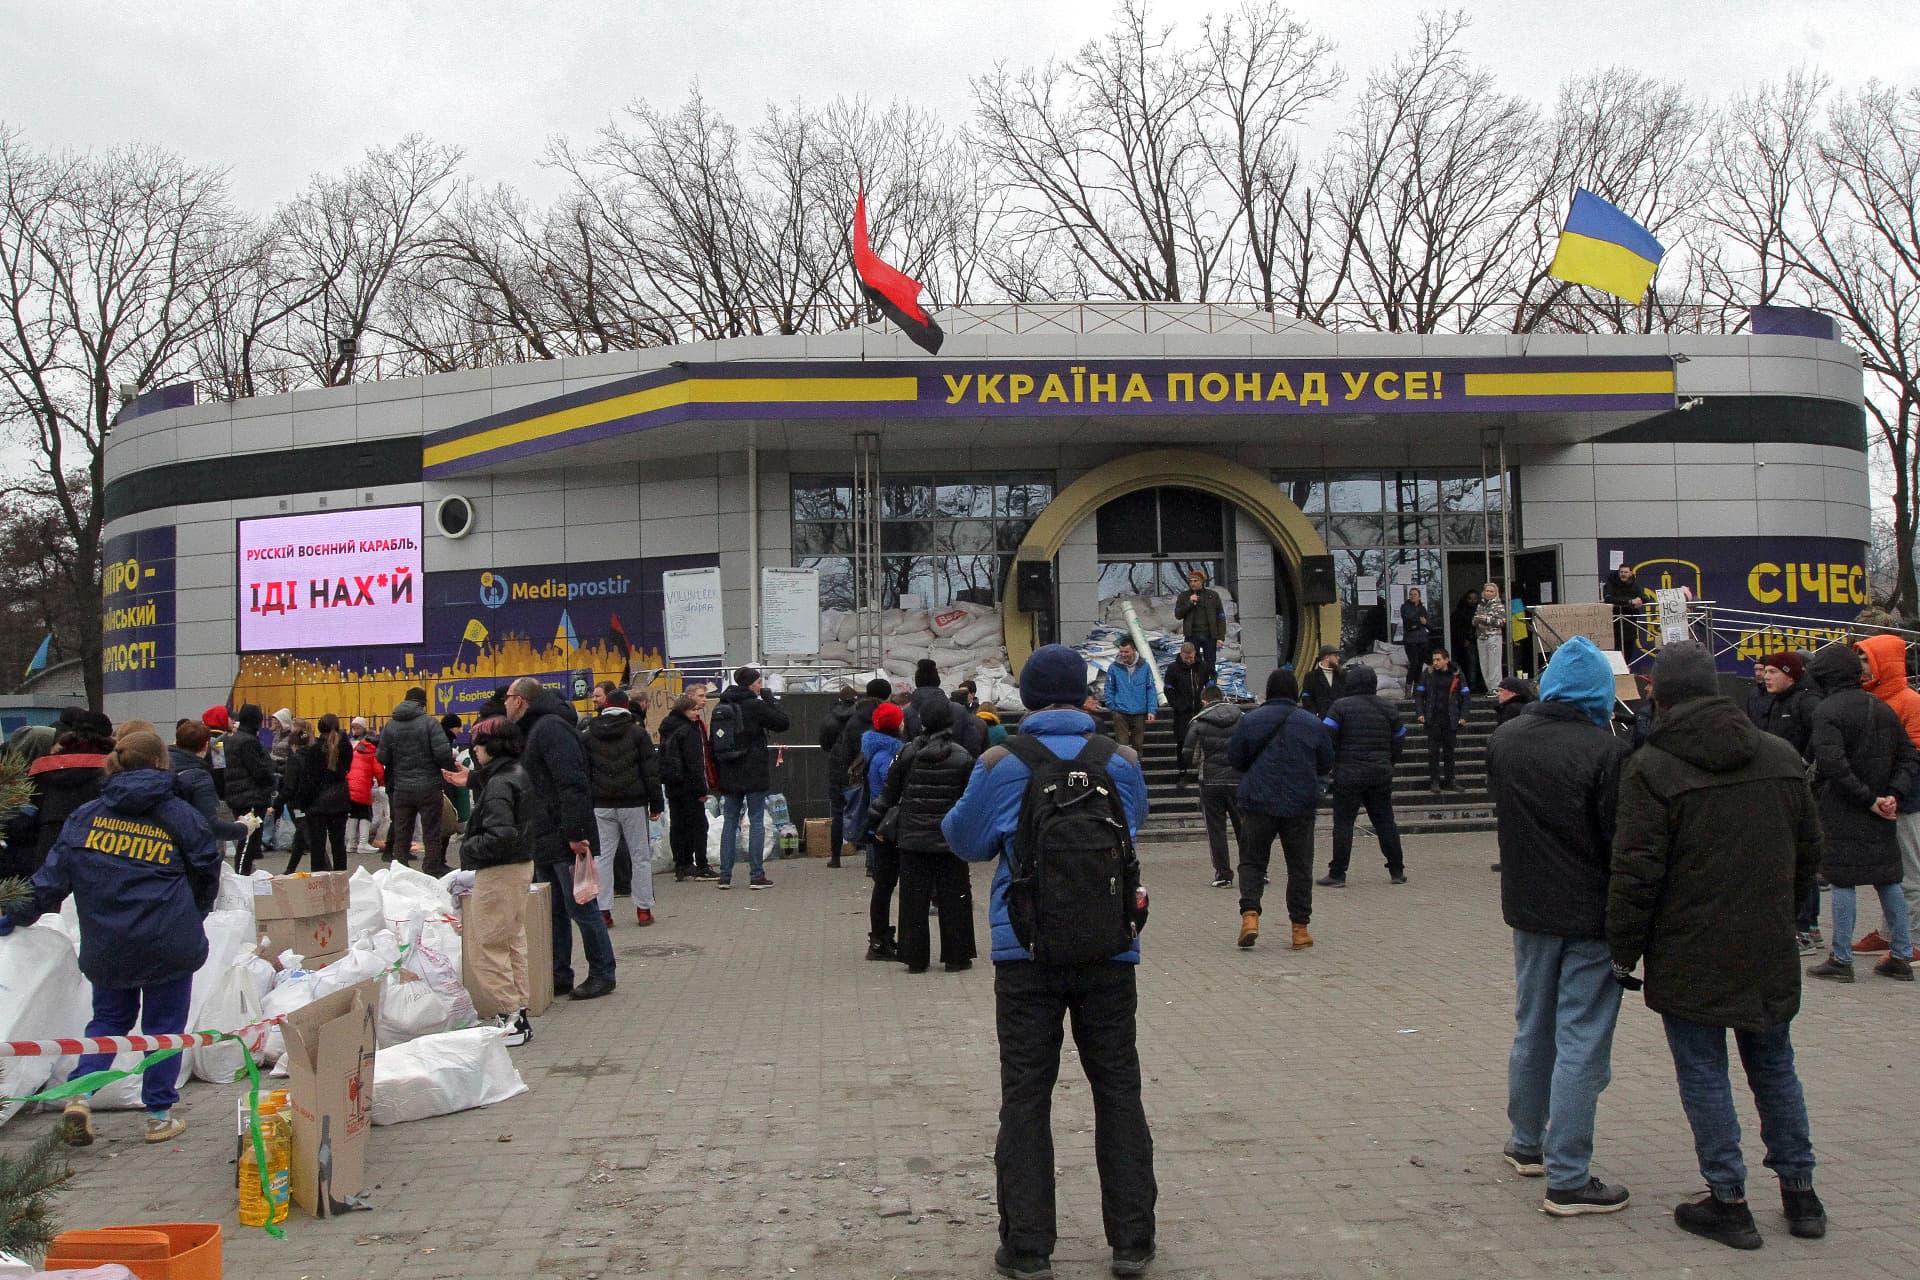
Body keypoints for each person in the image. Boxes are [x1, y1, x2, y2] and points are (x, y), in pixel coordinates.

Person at [942, 643, 1155, 1280]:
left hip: (1024, 952)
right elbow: (1133, 827)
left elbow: (966, 840)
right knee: (1118, 1090)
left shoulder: (1002, 761)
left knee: (1026, 1098)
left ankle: (1029, 1248)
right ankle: (1133, 1243)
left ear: (1029, 698)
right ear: (1087, 694)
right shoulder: (1120, 759)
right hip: (1111, 948)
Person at [1609, 641, 1826, 1249]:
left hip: (1689, 949)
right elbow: (1811, 852)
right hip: (1766, 944)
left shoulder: (1652, 767)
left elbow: (1636, 872)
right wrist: (1781, 909)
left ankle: (1729, 1201)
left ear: (1658, 692)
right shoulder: (1780, 755)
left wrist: (1623, 949)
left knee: (1704, 1072)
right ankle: (1801, 1195)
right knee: (1775, 1065)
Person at [0, 731, 219, 1147]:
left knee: (108, 1023)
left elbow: (50, 882)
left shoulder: (85, 817)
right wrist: (195, 913)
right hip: (167, 940)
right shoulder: (179, 814)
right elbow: (207, 867)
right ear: (160, 763)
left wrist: (13, 914)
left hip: (108, 942)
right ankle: (158, 1115)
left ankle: (80, 1094)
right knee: (165, 1029)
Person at [1488, 637, 1632, 1216]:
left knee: (1533, 1026)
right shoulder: (1606, 751)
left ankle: (1527, 1142)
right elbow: (1619, 837)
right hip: (1591, 913)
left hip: (1529, 907)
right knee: (1582, 1040)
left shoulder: (1505, 740)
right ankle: (1569, 1174)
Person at [1803, 643, 1918, 982]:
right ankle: (1901, 953)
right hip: (1882, 808)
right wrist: (1891, 796)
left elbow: (1831, 765)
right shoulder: (1881, 707)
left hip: (1843, 808)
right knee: (1888, 879)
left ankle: (1841, 959)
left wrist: (1867, 798)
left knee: (1842, 881)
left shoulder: (1827, 711)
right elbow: (1909, 756)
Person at [507, 676, 614, 1000]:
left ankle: (602, 972)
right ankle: (559, 973)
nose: (505, 703)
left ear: (521, 700)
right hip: (544, 836)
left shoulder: (551, 729)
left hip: (563, 836)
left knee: (581, 906)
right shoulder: (535, 729)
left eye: (508, 697)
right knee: (552, 912)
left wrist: (576, 833)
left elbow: (572, 784)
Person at [1227, 669, 1333, 950]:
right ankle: (1300, 929)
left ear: (1270, 690)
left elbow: (1235, 758)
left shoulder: (1251, 720)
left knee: (1252, 862)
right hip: (1299, 805)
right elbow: (1326, 763)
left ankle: (1250, 916)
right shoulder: (1312, 723)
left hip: (1258, 802)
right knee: (1299, 867)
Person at [875, 696, 977, 973]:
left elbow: (888, 795)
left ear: (921, 722)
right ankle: (957, 956)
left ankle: (915, 957)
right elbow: (971, 800)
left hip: (912, 838)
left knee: (912, 900)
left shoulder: (906, 753)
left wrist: (873, 822)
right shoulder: (963, 756)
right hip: (950, 840)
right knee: (955, 898)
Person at [457, 715, 535, 1046]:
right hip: (519, 866)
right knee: (511, 941)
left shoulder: (500, 782)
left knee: (487, 946)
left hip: (499, 869)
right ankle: (518, 1013)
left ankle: (510, 1016)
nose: (473, 749)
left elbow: (501, 833)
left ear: (492, 745)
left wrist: (468, 847)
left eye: (477, 743)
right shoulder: (513, 773)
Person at [1749, 651, 1824, 953]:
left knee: (1800, 857)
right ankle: (1801, 925)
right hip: (1777, 786)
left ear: (1790, 674)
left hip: (1798, 790)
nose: (1766, 676)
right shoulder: (1773, 702)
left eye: (1772, 671)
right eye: (1764, 671)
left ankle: (1806, 928)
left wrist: (1806, 765)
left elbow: (1822, 736)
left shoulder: (1807, 701)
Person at [1852, 634, 1920, 962]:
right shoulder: (1871, 699)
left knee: (1909, 870)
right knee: (1888, 870)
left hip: (1907, 798)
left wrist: (1895, 791)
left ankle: (1914, 937)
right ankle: (1890, 931)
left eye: (1866, 659)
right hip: (1883, 796)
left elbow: (1914, 753)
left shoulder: (1909, 700)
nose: (1861, 666)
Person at [1317, 664, 1408, 888]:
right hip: (1380, 773)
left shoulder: (1340, 707)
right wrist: (1389, 761)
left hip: (1348, 774)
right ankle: (1397, 870)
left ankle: (1338, 873)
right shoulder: (1389, 708)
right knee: (1385, 821)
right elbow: (1400, 738)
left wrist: (1332, 764)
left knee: (1344, 823)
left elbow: (1325, 738)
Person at [582, 688, 665, 927]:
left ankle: (604, 912)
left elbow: (585, 772)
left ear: (605, 705)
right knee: (640, 856)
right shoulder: (637, 734)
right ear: (627, 706)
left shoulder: (588, 735)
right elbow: (650, 772)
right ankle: (643, 910)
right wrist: (656, 803)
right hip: (633, 802)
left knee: (603, 858)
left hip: (601, 804)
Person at [709, 666, 790, 890]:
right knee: (756, 821)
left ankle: (725, 876)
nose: (760, 686)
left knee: (730, 822)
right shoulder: (755, 705)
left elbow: (713, 742)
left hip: (729, 772)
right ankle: (756, 875)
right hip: (753, 770)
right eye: (757, 683)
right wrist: (770, 700)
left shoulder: (721, 706)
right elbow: (783, 723)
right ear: (750, 684)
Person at [14, 709, 117, 880]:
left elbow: (24, 819)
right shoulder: (114, 771)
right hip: (100, 845)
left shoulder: (42, 767)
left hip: (49, 845)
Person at [376, 687, 455, 871]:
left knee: (402, 832)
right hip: (429, 787)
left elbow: (382, 757)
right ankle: (431, 869)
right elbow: (442, 754)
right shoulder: (430, 723)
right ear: (423, 704)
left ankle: (400, 870)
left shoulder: (391, 725)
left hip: (402, 787)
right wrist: (449, 768)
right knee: (431, 832)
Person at [859, 702, 909, 958]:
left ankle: (880, 938)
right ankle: (880, 940)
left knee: (884, 885)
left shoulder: (875, 750)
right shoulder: (890, 756)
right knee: (887, 885)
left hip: (880, 825)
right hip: (889, 826)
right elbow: (892, 789)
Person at [829, 678, 895, 871]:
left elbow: (845, 749)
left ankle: (854, 858)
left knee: (861, 814)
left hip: (859, 774)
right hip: (884, 772)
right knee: (882, 813)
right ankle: (876, 861)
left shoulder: (854, 718)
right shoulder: (889, 715)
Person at [1184, 685, 1244, 890]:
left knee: (1216, 830)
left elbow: (1188, 753)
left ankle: (1223, 874)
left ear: (1204, 701)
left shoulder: (1198, 722)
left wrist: (1201, 763)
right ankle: (1253, 870)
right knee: (1244, 826)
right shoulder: (1241, 717)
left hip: (1210, 781)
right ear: (1222, 698)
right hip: (1238, 780)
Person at [657, 687, 716, 880]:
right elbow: (694, 762)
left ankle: (681, 865)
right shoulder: (688, 730)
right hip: (690, 786)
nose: (697, 714)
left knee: (678, 825)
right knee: (699, 825)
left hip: (674, 785)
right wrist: (702, 788)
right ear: (685, 710)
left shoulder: (667, 725)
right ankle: (701, 865)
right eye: (693, 710)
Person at [167, 722, 251, 845]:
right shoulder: (218, 744)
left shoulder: (164, 761)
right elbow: (221, 771)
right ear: (205, 746)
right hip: (215, 796)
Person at [224, 704, 276, 873]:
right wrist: (271, 778)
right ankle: (242, 876)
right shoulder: (249, 742)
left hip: (238, 795)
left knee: (246, 840)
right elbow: (259, 771)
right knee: (248, 841)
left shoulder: (230, 739)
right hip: (251, 796)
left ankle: (245, 873)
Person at [299, 715, 352, 872]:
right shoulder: (345, 746)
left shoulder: (314, 750)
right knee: (338, 845)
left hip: (318, 803)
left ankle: (319, 883)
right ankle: (341, 881)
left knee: (318, 846)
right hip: (340, 799)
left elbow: (309, 780)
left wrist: (304, 802)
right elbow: (347, 768)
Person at [1416, 648, 1471, 792]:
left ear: (1447, 659)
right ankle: (1434, 781)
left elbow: (1465, 696)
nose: (1435, 663)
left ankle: (1450, 780)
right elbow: (1419, 694)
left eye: (1438, 659)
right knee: (1433, 752)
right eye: (1433, 660)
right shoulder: (1427, 674)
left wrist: (1464, 715)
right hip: (1433, 718)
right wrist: (1420, 712)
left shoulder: (1456, 674)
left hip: (1450, 718)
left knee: (1449, 752)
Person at [817, 686, 859, 869]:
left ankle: (835, 857)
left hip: (836, 767)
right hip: (856, 768)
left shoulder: (830, 719)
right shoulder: (860, 719)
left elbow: (824, 743)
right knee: (862, 809)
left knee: (837, 812)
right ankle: (869, 859)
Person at [267, 721, 316, 873]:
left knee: (309, 838)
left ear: (293, 744)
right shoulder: (314, 756)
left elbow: (289, 786)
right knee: (301, 838)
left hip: (298, 804)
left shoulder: (294, 759)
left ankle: (325, 870)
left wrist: (276, 805)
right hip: (312, 802)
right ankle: (290, 870)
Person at [1102, 640, 1156, 756]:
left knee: (1138, 745)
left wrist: (1151, 709)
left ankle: (1136, 770)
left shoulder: (1145, 667)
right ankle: (1123, 772)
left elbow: (1150, 688)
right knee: (1122, 746)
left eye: (1126, 651)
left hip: (1139, 711)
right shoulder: (1113, 667)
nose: (1123, 654)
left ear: (1134, 650)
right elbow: (1109, 688)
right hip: (1120, 712)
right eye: (1121, 651)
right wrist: (1112, 706)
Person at [1163, 641, 1208, 777]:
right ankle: (1182, 771)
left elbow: (1209, 683)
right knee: (1181, 741)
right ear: (1181, 655)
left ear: (1195, 654)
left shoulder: (1202, 667)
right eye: (1186, 658)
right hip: (1182, 712)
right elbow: (1168, 688)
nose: (1189, 661)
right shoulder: (1173, 668)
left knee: (1203, 741)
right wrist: (1177, 705)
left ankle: (1202, 769)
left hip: (1200, 710)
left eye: (1191, 658)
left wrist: (1206, 701)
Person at [1173, 568, 1228, 675]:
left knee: (1210, 664)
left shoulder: (1212, 595)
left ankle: (1210, 687)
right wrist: (1189, 603)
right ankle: (1194, 687)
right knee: (1191, 663)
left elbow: (1220, 617)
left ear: (1202, 582)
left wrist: (1221, 637)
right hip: (1192, 635)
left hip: (1209, 635)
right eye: (1190, 581)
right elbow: (1178, 615)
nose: (1192, 583)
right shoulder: (1184, 596)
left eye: (1195, 581)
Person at [346, 719, 384, 854]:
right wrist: (382, 783)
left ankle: (351, 844)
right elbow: (379, 771)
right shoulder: (373, 752)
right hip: (362, 787)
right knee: (365, 815)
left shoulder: (357, 749)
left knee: (353, 815)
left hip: (350, 784)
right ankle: (363, 843)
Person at [1603, 565, 1651, 662]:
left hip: (1630, 622)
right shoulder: (1611, 584)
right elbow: (1608, 599)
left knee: (1629, 648)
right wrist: (1629, 602)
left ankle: (1626, 668)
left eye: (1625, 572)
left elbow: (1645, 597)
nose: (1623, 574)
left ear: (1630, 573)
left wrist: (1639, 600)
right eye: (1621, 572)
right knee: (1617, 649)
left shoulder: (1634, 584)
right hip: (1615, 622)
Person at [1400, 588, 1433, 697]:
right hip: (1411, 640)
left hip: (1422, 639)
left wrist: (1423, 622)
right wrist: (1420, 622)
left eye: (1415, 594)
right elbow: (1409, 620)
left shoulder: (1422, 608)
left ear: (1419, 596)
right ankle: (1408, 690)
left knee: (1419, 664)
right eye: (1411, 594)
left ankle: (1417, 691)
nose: (1412, 596)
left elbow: (1428, 624)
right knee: (1413, 663)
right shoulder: (1405, 607)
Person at [1474, 582, 1507, 689]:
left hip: (1493, 636)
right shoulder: (1480, 605)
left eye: (1491, 591)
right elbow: (1474, 620)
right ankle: (1490, 688)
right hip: (1481, 637)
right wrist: (1476, 620)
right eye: (1487, 591)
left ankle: (1496, 688)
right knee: (1484, 664)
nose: (1488, 593)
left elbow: (1501, 622)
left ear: (1495, 593)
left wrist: (1486, 619)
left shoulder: (1499, 606)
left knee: (1494, 664)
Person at [1451, 588, 1483, 691]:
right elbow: (1456, 628)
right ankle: (1472, 684)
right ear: (1466, 599)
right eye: (1470, 599)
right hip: (1468, 642)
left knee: (1482, 663)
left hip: (1481, 640)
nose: (1473, 601)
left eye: (1475, 599)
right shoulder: (1460, 612)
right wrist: (1464, 639)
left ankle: (1481, 684)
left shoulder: (1481, 610)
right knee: (1471, 663)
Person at [1301, 646, 1344, 718]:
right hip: (1320, 720)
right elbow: (1306, 698)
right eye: (1335, 656)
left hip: (1340, 718)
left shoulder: (1342, 675)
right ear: (1326, 657)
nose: (1338, 658)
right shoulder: (1311, 676)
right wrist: (1315, 714)